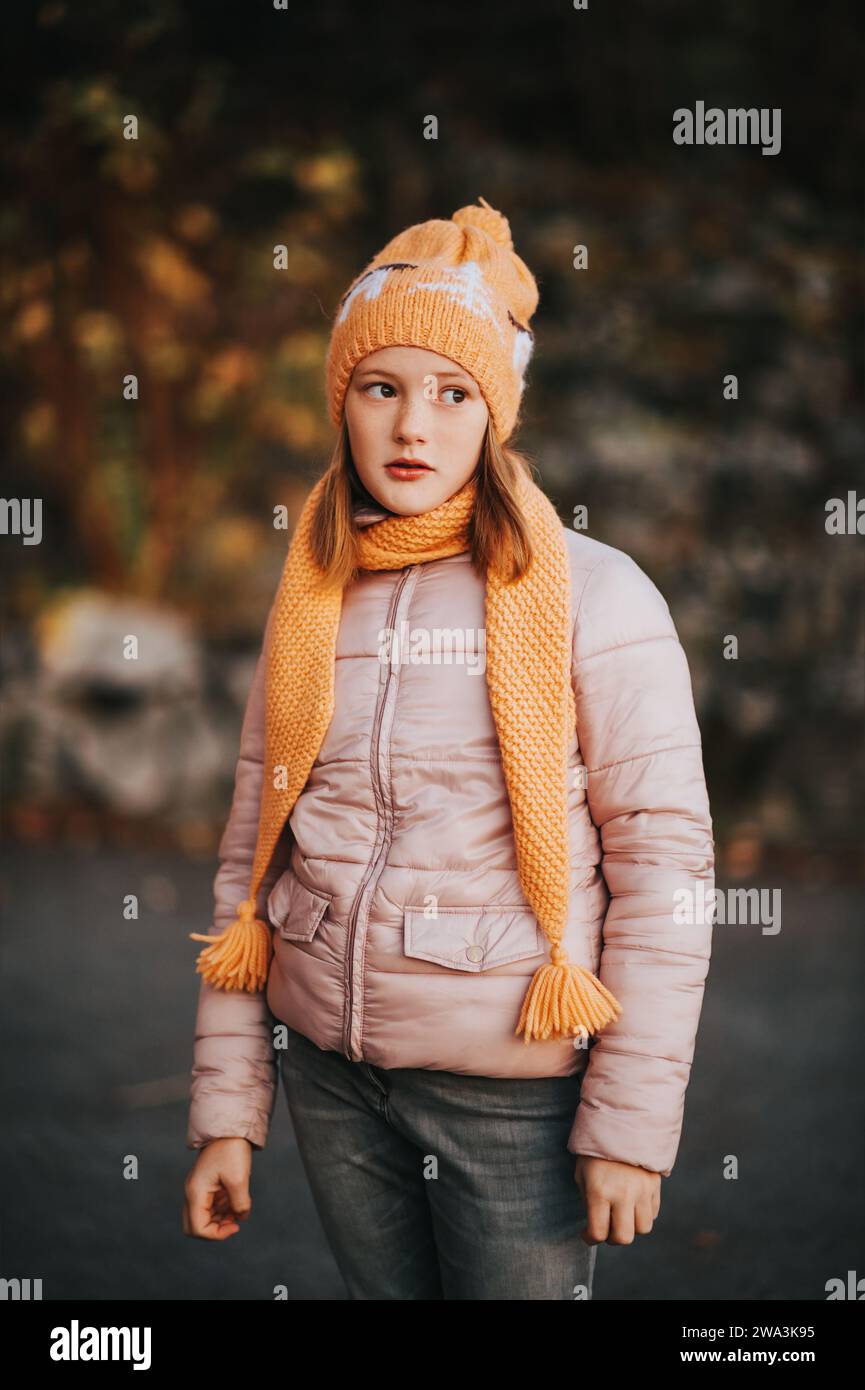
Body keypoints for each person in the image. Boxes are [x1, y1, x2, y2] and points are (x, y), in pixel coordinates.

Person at [181, 197, 715, 1300]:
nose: (412, 427)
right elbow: (252, 865)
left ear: (494, 413)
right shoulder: (311, 598)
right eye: (382, 388)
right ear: (344, 405)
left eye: (451, 392)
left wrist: (628, 1122)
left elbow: (666, 872)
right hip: (332, 1082)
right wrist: (229, 1112)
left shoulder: (595, 596)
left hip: (510, 1100)